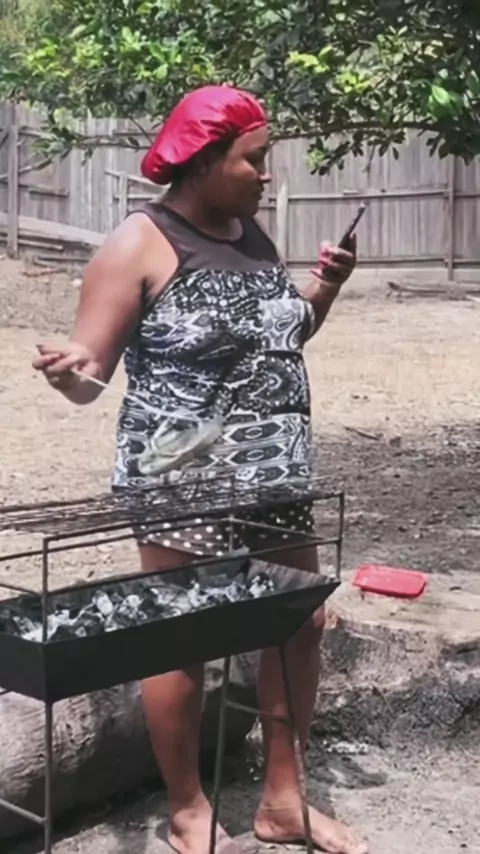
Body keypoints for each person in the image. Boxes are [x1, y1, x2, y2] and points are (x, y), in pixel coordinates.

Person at [33, 85, 367, 854]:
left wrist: (325, 288)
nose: (267, 175)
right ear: (206, 159)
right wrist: (71, 371)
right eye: (255, 159)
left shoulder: (250, 233)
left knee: (299, 621)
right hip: (181, 473)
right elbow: (90, 376)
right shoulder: (138, 242)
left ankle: (283, 800)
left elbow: (277, 338)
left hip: (274, 466)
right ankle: (188, 809)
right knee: (183, 636)